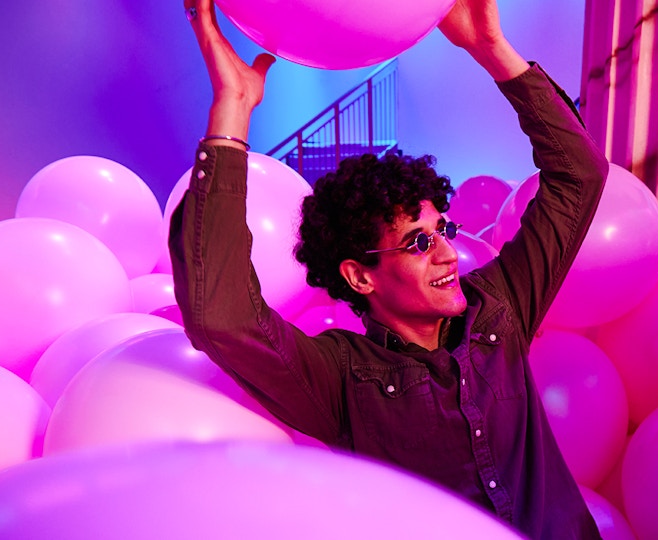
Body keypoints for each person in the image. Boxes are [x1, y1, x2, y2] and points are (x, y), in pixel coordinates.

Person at [170, 0, 609, 538]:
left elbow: (579, 176)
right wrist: (232, 109)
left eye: (442, 230)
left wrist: (490, 49)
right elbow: (222, 317)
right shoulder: (338, 380)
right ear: (360, 277)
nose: (449, 253)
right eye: (419, 242)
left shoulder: (502, 306)